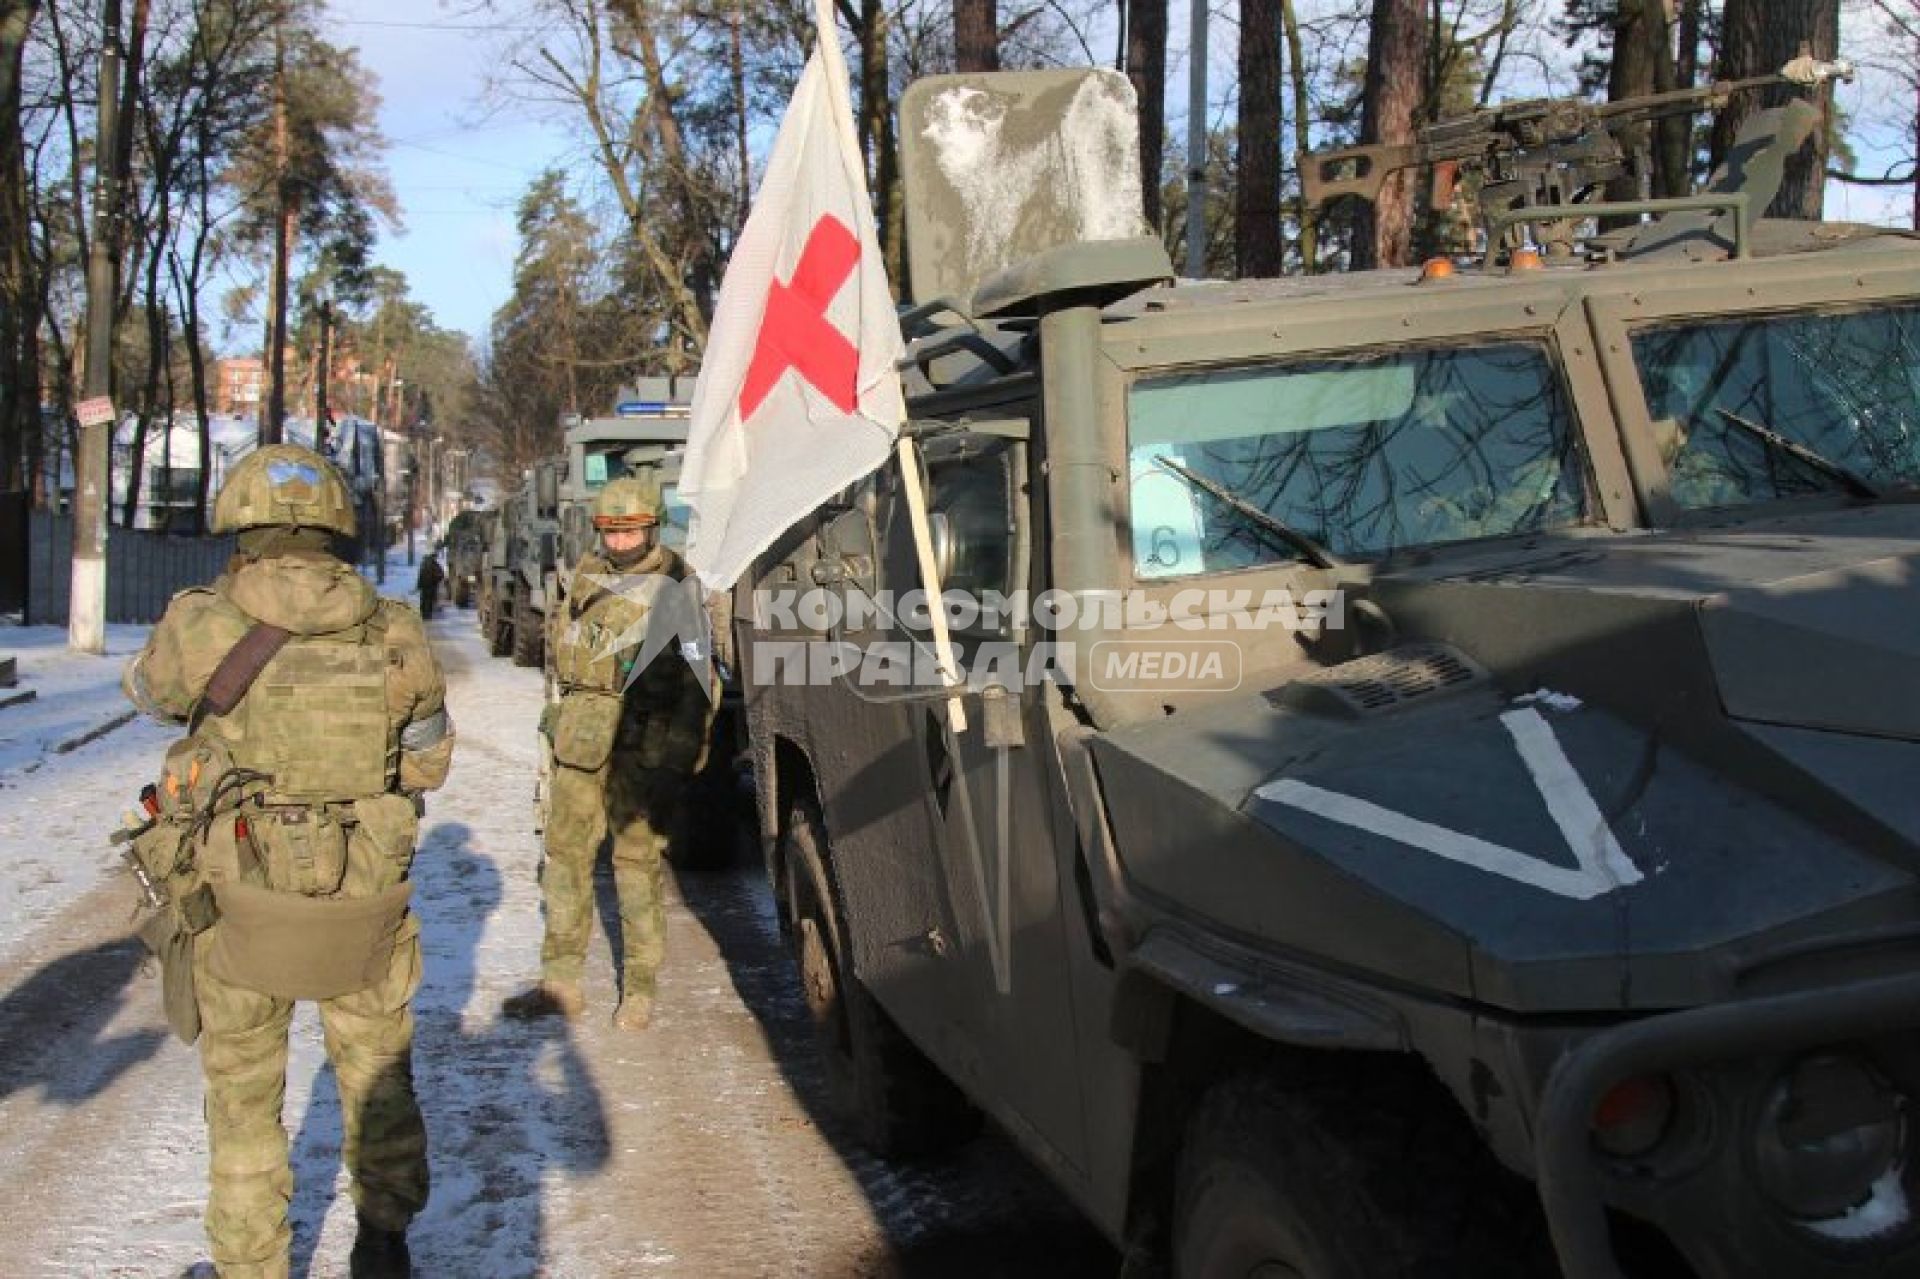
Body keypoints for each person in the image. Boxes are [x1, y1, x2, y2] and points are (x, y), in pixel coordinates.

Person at [122, 443, 455, 1279]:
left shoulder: (200, 619)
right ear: (336, 523)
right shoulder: (392, 626)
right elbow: (427, 761)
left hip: (242, 900)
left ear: (239, 517)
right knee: (376, 1070)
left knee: (243, 1101)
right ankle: (383, 1245)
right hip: (362, 895)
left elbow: (151, 693)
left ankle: (252, 1265)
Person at [502, 475, 713, 1031]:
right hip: (578, 745)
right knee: (566, 863)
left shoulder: (677, 586)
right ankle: (561, 982)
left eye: (631, 532)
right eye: (610, 532)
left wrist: (679, 760)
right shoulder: (586, 575)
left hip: (641, 751)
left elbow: (698, 683)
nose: (620, 543)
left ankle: (639, 988)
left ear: (652, 526)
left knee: (635, 867)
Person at [416, 548, 445, 620]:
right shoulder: (435, 564)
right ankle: (428, 615)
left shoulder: (423, 564)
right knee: (429, 600)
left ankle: (423, 614)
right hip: (432, 586)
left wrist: (419, 585)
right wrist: (436, 581)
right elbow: (441, 574)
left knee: (423, 600)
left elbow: (420, 576)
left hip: (424, 586)